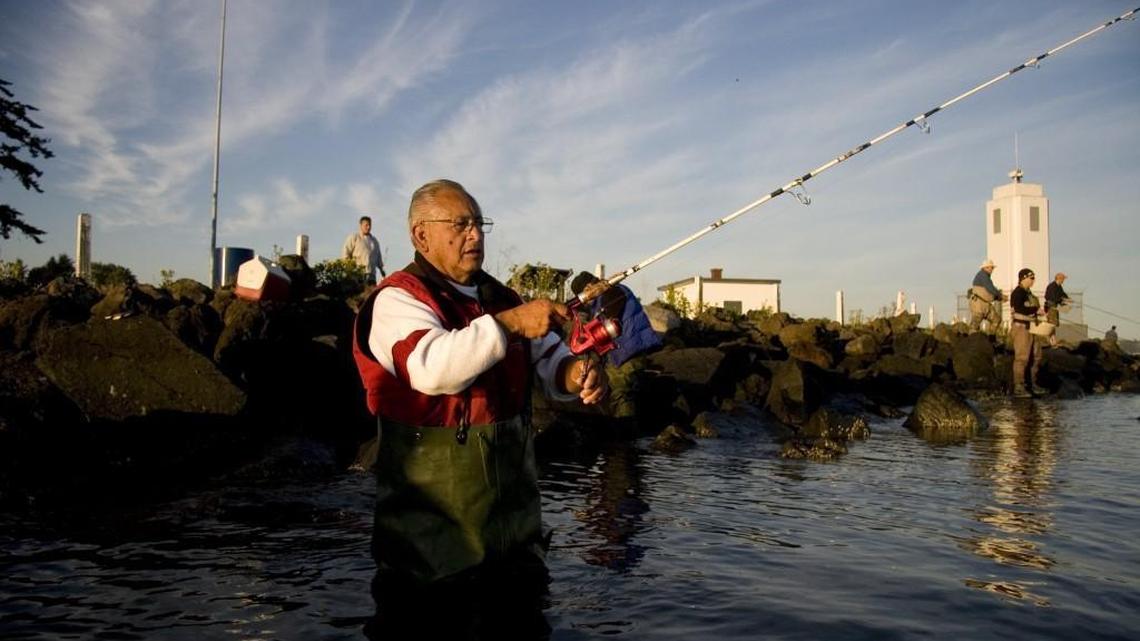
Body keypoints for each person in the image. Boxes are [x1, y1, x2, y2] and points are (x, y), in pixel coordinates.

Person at [352, 180, 607, 632]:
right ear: (420, 235)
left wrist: (579, 373)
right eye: (461, 224)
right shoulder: (395, 299)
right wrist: (510, 324)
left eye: (479, 224)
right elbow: (431, 367)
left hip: (516, 552)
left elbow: (551, 363)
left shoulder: (503, 299)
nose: (475, 235)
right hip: (429, 567)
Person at [1009, 268, 1046, 397]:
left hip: (1032, 328)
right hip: (1021, 327)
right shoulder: (1017, 293)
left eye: (1034, 278)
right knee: (1022, 357)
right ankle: (1019, 386)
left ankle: (1032, 384)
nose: (1033, 281)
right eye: (1031, 278)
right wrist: (1035, 309)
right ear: (1023, 278)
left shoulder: (1029, 293)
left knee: (1036, 356)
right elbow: (1019, 308)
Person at [342, 215, 385, 284]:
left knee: (371, 293)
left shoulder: (374, 241)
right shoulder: (354, 237)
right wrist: (349, 270)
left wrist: (382, 270)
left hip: (371, 275)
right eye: (366, 225)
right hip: (358, 274)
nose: (368, 227)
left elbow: (378, 257)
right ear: (361, 225)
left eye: (370, 225)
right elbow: (345, 254)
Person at [969, 258, 1003, 332]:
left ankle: (990, 340)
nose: (992, 269)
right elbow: (990, 288)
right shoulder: (983, 276)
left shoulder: (983, 276)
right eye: (991, 267)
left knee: (996, 320)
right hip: (979, 305)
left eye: (992, 267)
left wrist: (997, 296)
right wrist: (1000, 295)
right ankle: (973, 341)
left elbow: (988, 292)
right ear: (985, 268)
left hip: (984, 304)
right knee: (975, 325)